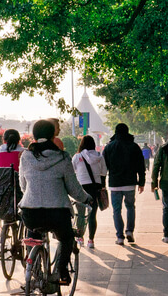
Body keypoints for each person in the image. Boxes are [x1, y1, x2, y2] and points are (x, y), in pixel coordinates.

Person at [19, 120, 94, 285]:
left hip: (30, 212)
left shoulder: (26, 156)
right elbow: (73, 188)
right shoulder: (62, 157)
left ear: (35, 136)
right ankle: (61, 270)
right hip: (57, 213)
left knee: (33, 232)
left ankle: (34, 268)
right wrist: (87, 198)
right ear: (53, 136)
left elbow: (23, 185)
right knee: (67, 239)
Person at [102, 122, 145, 245]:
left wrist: (103, 184)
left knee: (116, 210)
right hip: (130, 183)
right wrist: (141, 182)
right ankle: (130, 231)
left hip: (114, 183)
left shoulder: (109, 147)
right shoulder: (134, 146)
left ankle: (120, 237)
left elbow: (104, 168)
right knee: (130, 207)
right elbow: (140, 166)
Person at [72, 135, 106, 249]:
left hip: (81, 187)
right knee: (92, 215)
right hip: (95, 188)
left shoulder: (77, 157)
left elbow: (72, 171)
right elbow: (103, 173)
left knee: (81, 214)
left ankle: (80, 237)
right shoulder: (99, 157)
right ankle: (91, 240)